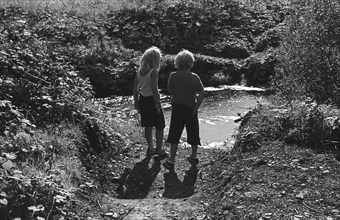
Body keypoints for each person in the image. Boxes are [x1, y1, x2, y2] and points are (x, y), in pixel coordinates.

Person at [163, 49, 204, 170]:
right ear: (191, 63)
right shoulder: (194, 77)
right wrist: (196, 106)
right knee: (193, 131)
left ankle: (171, 160)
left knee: (174, 133)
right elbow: (202, 92)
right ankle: (193, 156)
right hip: (191, 108)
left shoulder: (173, 76)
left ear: (177, 62)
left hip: (177, 107)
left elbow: (170, 90)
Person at [133, 46, 168, 159]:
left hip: (143, 100)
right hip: (152, 100)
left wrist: (136, 102)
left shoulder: (139, 71)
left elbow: (135, 89)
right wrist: (157, 103)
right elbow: (154, 89)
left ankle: (150, 148)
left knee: (148, 125)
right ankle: (159, 149)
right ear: (155, 60)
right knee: (160, 126)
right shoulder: (153, 72)